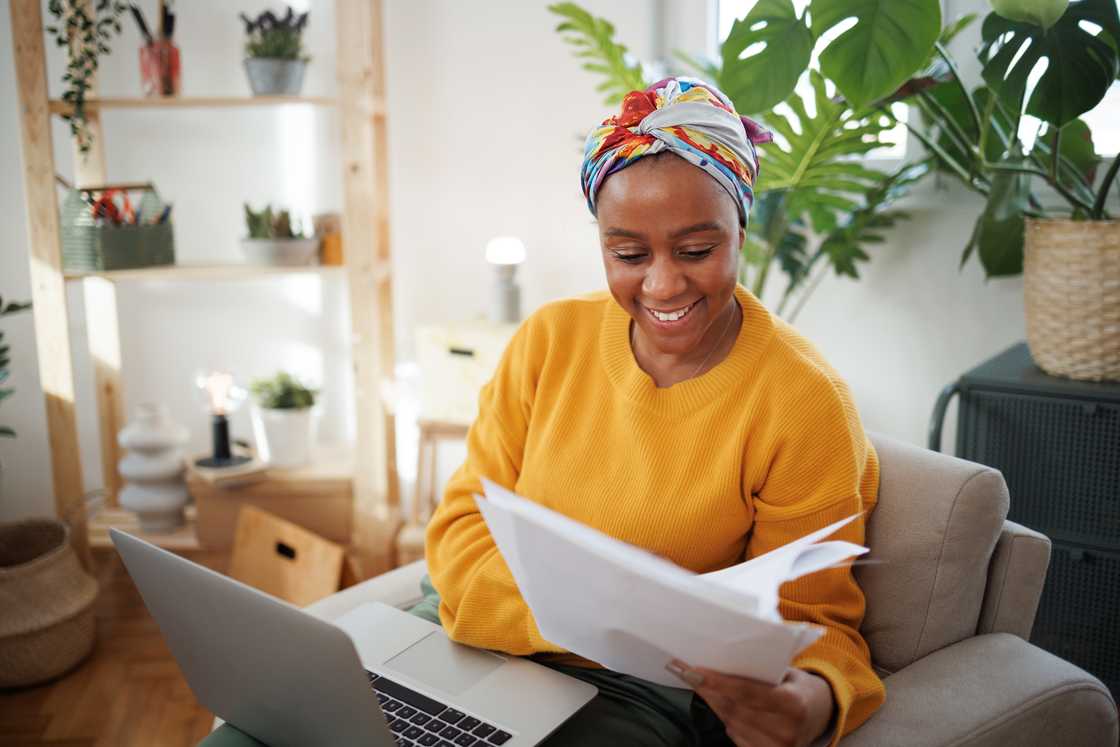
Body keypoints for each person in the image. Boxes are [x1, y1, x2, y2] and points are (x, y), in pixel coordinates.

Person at [418, 77, 885, 747]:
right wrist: (585, 621)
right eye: (629, 255)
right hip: (474, 640)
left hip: (632, 694)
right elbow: (463, 523)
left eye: (696, 251)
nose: (663, 285)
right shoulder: (549, 341)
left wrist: (810, 701)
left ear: (741, 230)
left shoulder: (803, 402)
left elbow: (814, 623)